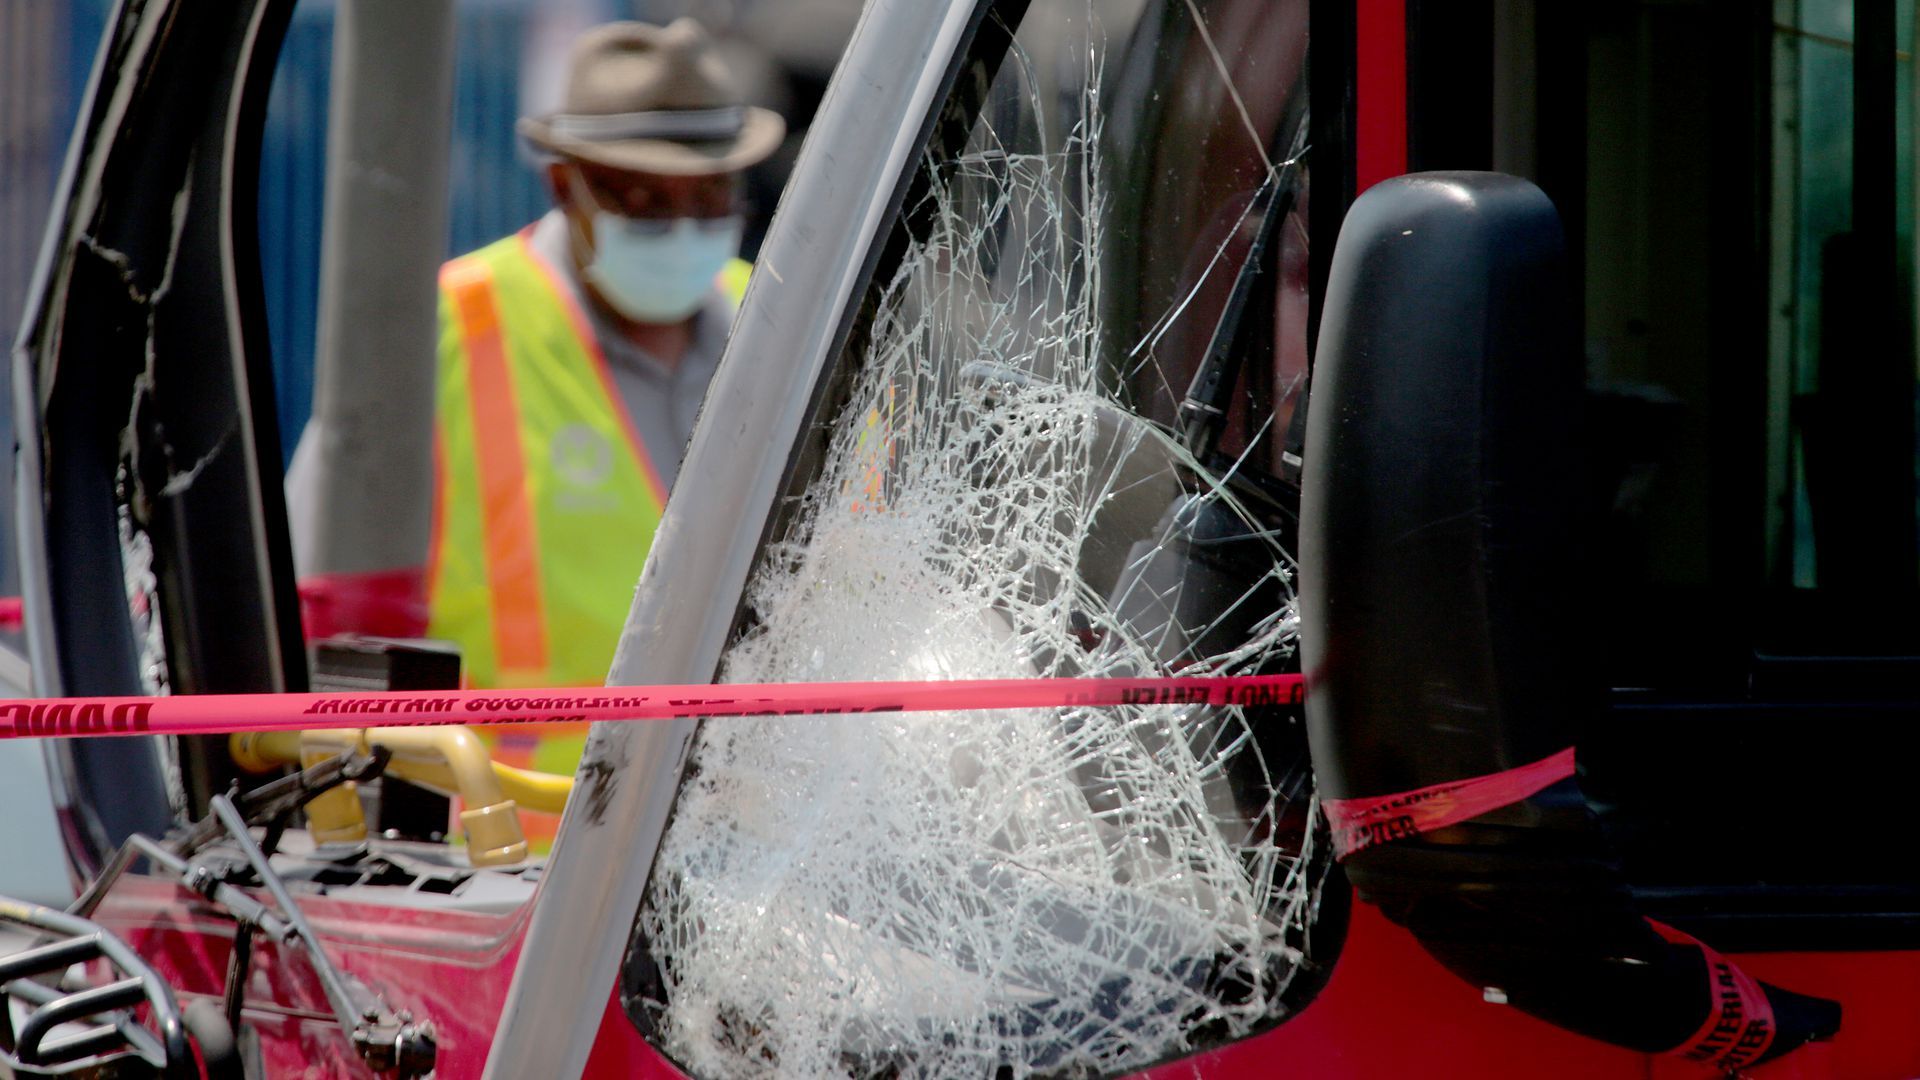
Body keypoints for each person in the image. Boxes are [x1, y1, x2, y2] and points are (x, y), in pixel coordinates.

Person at [289, 20, 783, 831]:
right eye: (641, 199)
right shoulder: (445, 332)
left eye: (711, 197)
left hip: (734, 854)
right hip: (501, 869)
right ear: (565, 185)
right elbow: (319, 610)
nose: (683, 225)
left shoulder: (779, 331)